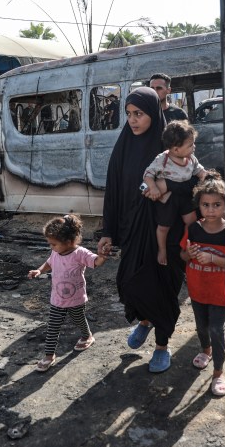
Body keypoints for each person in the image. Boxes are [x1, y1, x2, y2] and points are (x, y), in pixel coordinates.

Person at [97, 86, 194, 373]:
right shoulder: (123, 146)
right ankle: (145, 320)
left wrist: (165, 186)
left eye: (138, 114)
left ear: (152, 112)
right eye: (128, 114)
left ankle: (162, 346)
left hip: (167, 229)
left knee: (164, 288)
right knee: (131, 282)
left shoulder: (169, 150)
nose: (133, 120)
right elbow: (113, 191)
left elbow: (191, 185)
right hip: (133, 230)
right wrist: (108, 231)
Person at [180, 171, 225, 396]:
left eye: (217, 204)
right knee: (201, 326)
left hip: (219, 293)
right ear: (200, 206)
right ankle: (205, 351)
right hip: (197, 291)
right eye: (206, 205)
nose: (211, 209)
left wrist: (213, 258)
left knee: (217, 329)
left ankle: (218, 373)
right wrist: (189, 252)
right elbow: (182, 256)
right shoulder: (194, 229)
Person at [27, 215, 106, 372]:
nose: (51, 247)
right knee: (53, 327)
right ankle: (49, 355)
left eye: (54, 244)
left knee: (79, 319)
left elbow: (95, 261)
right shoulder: (56, 252)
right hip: (57, 299)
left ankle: (87, 336)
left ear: (69, 242)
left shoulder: (80, 253)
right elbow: (49, 263)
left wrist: (102, 255)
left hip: (76, 299)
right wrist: (39, 270)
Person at [142, 120, 206, 265]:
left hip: (185, 197)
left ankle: (186, 246)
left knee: (191, 222)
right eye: (190, 145)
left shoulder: (191, 159)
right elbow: (148, 175)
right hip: (167, 200)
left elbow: (201, 172)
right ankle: (162, 250)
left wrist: (206, 179)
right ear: (176, 149)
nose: (194, 147)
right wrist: (153, 187)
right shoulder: (162, 160)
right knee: (164, 227)